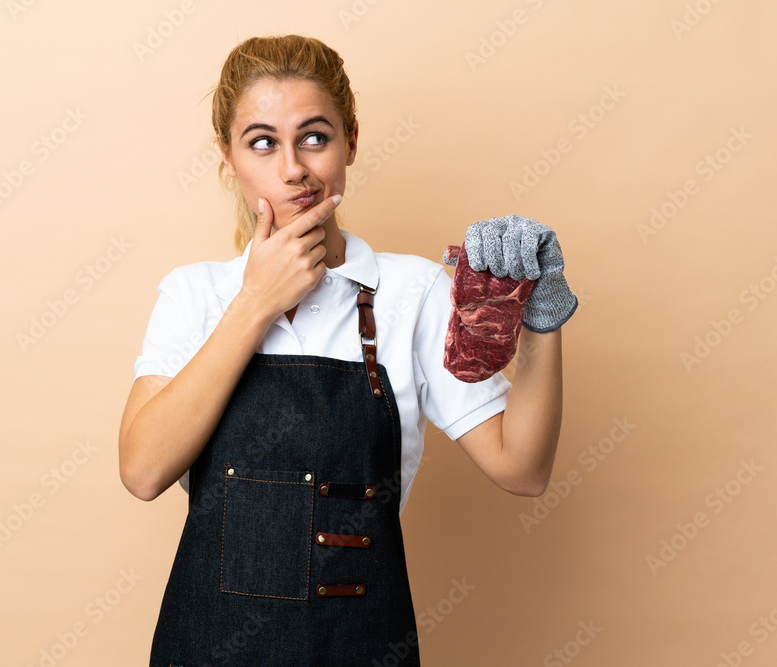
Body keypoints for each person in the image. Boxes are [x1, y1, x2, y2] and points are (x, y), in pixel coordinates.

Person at [119, 34, 576, 666]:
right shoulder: (194, 294)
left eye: (314, 136)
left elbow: (522, 469)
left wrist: (542, 321)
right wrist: (255, 303)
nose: (292, 169)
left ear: (350, 141)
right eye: (262, 142)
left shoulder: (410, 292)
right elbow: (142, 472)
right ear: (227, 158)